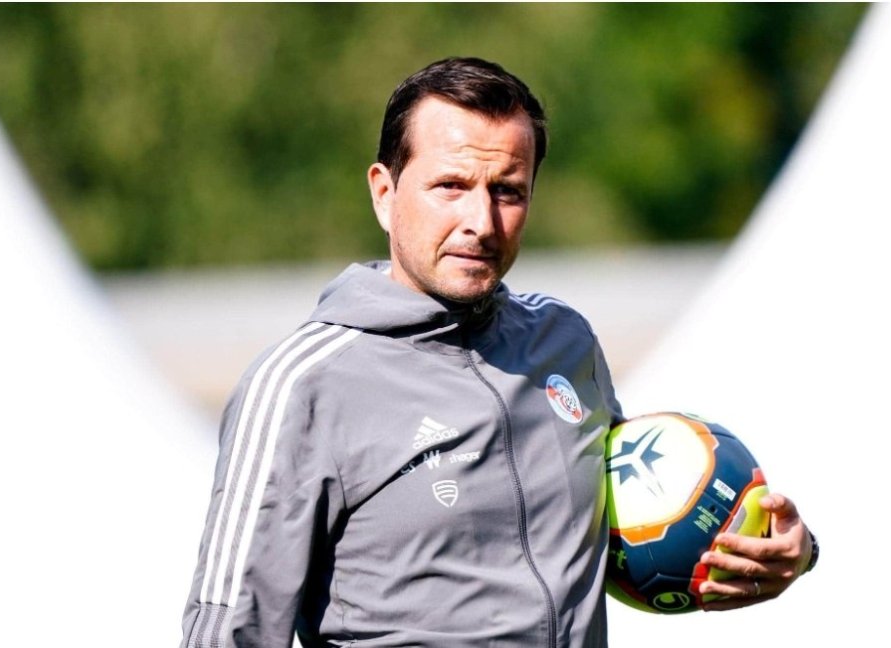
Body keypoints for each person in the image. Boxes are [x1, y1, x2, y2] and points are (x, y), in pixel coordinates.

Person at [181, 57, 817, 648]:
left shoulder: (564, 344)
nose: (481, 222)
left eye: (507, 191)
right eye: (450, 186)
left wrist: (782, 547)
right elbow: (226, 631)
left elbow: (633, 522)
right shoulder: (303, 386)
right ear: (384, 193)